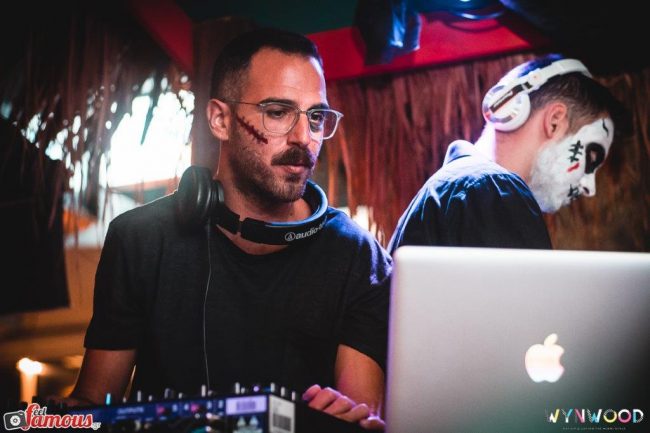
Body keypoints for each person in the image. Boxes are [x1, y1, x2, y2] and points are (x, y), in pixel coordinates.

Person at [67, 28, 390, 430]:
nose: (303, 138)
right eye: (278, 113)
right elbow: (91, 406)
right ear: (221, 119)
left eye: (315, 117)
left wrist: (349, 421)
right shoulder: (140, 240)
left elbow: (360, 414)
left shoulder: (358, 257)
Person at [388, 54, 626, 253]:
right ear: (554, 121)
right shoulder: (492, 187)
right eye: (591, 158)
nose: (589, 187)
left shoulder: (459, 187)